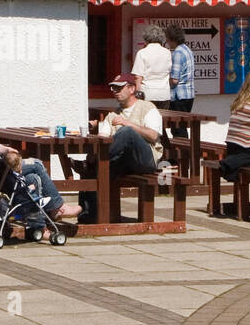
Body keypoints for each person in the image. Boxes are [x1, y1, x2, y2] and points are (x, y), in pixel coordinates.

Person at [0, 96, 80, 235]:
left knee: (32, 178)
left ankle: (39, 228)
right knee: (36, 164)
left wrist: (7, 149)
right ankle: (56, 207)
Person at [77, 73, 164, 222]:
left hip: (146, 160)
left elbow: (153, 135)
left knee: (127, 132)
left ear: (131, 89)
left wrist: (127, 123)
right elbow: (103, 139)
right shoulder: (112, 115)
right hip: (124, 163)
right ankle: (88, 216)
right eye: (112, 88)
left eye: (118, 88)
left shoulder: (148, 108)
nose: (114, 91)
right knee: (94, 170)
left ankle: (93, 162)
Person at [165, 23, 195, 137]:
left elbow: (175, 80)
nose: (167, 42)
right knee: (182, 127)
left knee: (178, 129)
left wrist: (165, 82)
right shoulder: (188, 50)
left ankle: (183, 153)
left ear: (172, 39)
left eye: (167, 39)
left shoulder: (177, 52)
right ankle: (184, 152)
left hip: (179, 96)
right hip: (189, 94)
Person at [131, 25, 172, 105]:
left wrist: (137, 93)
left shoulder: (142, 53)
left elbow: (138, 77)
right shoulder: (167, 52)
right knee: (161, 117)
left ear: (146, 38)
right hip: (164, 94)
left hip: (147, 93)